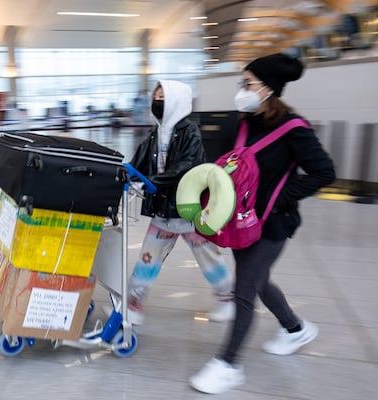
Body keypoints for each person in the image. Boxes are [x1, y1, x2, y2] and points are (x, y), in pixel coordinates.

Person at [189, 54, 336, 395]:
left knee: (245, 290)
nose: (242, 89)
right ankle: (295, 328)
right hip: (241, 223)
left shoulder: (294, 128)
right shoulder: (241, 123)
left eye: (249, 83)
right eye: (242, 83)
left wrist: (276, 201)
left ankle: (227, 364)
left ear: (269, 89)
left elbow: (324, 172)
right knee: (258, 280)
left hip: (272, 225)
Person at [127, 80, 235, 325]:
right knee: (148, 258)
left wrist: (151, 181)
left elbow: (187, 165)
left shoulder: (189, 131)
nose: (157, 100)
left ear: (177, 100)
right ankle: (133, 304)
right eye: (156, 95)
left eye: (163, 96)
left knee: (210, 258)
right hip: (162, 212)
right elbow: (139, 161)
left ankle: (227, 299)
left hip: (189, 211)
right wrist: (130, 176)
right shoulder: (156, 133)